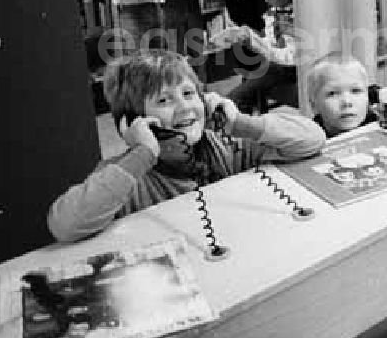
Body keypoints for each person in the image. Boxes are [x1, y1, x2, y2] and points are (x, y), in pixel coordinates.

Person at [47, 49, 326, 243]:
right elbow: (64, 225)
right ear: (133, 122)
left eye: (189, 94)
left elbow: (313, 139)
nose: (184, 107)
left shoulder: (227, 146)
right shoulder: (126, 176)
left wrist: (242, 124)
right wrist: (141, 154)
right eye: (164, 101)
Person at [217, 0, 300, 113]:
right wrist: (255, 39)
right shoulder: (274, 13)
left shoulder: (296, 16)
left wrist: (262, 46)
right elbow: (272, 41)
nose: (266, 0)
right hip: (277, 63)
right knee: (260, 72)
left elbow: (290, 56)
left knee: (262, 75)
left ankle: (228, 104)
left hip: (290, 67)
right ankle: (232, 104)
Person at [306, 51, 387, 138]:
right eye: (332, 94)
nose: (347, 102)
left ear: (367, 96)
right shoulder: (311, 135)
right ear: (314, 105)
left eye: (355, 91)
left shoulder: (374, 110)